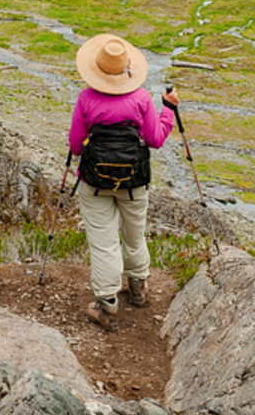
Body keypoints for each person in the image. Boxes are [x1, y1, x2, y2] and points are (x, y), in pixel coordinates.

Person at [68, 33, 176, 332]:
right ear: (127, 69)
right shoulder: (141, 99)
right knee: (134, 233)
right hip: (134, 182)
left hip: (94, 183)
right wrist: (168, 110)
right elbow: (155, 140)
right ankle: (138, 288)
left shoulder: (86, 99)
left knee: (104, 243)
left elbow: (76, 147)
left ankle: (107, 305)